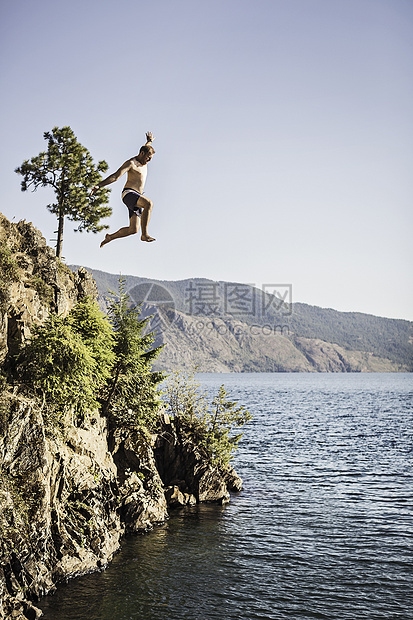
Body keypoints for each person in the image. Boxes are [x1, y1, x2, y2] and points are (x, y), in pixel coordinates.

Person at [91, 132, 156, 246]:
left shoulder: (144, 157)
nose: (148, 161)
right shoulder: (131, 163)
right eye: (148, 158)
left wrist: (149, 141)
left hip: (137, 197)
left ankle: (110, 237)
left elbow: (146, 148)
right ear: (141, 153)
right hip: (129, 194)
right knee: (148, 204)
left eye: (150, 159)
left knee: (133, 229)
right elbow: (115, 176)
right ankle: (144, 234)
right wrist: (99, 185)